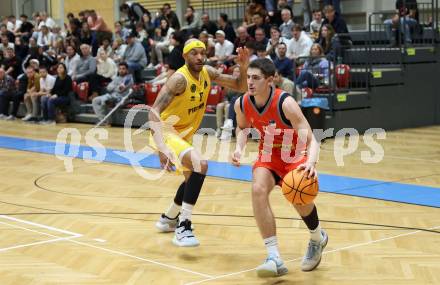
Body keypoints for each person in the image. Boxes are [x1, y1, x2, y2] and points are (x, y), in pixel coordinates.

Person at [231, 58, 328, 277]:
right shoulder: (242, 103)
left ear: (270, 80)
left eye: (256, 78)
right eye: (248, 77)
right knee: (257, 190)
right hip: (269, 155)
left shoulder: (286, 103)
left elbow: (312, 140)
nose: (250, 82)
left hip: (295, 155)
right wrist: (238, 148)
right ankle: (273, 256)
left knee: (297, 195)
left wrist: (311, 163)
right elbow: (242, 128)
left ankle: (317, 237)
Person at [150, 39, 249, 247]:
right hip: (166, 131)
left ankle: (168, 219)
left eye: (202, 53)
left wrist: (243, 65)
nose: (199, 57)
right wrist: (162, 147)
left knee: (191, 179)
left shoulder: (208, 72)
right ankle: (183, 226)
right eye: (194, 53)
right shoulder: (178, 79)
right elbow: (153, 111)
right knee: (201, 165)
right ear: (185, 57)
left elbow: (240, 86)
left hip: (184, 134)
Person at [92, 62, 133, 126]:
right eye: (120, 69)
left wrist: (114, 87)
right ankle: (103, 121)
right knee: (95, 100)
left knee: (104, 101)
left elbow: (120, 90)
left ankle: (106, 121)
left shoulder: (128, 78)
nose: (121, 70)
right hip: (111, 95)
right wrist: (116, 87)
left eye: (123, 69)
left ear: (127, 70)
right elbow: (108, 88)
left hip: (121, 98)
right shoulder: (116, 78)